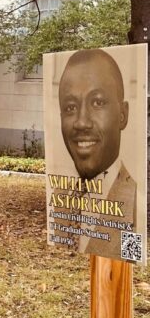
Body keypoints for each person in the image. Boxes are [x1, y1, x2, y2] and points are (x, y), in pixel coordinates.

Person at [56, 48, 136, 257]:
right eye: (70, 107)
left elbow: (130, 262)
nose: (81, 122)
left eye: (98, 103)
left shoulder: (136, 204)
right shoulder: (58, 198)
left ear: (122, 115)